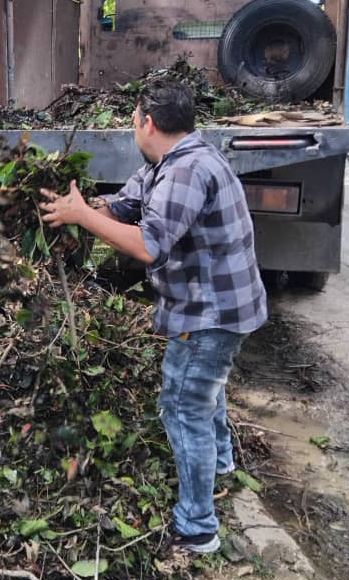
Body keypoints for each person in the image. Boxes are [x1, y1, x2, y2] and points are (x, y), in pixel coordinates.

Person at [40, 78, 267, 555]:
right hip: (221, 306)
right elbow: (129, 202)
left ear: (148, 122)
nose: (132, 127)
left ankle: (198, 528)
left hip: (209, 314)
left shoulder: (187, 171)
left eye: (133, 119)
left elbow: (149, 244)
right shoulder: (171, 161)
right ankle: (221, 463)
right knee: (207, 389)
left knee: (184, 407)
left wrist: (84, 219)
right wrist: (85, 207)